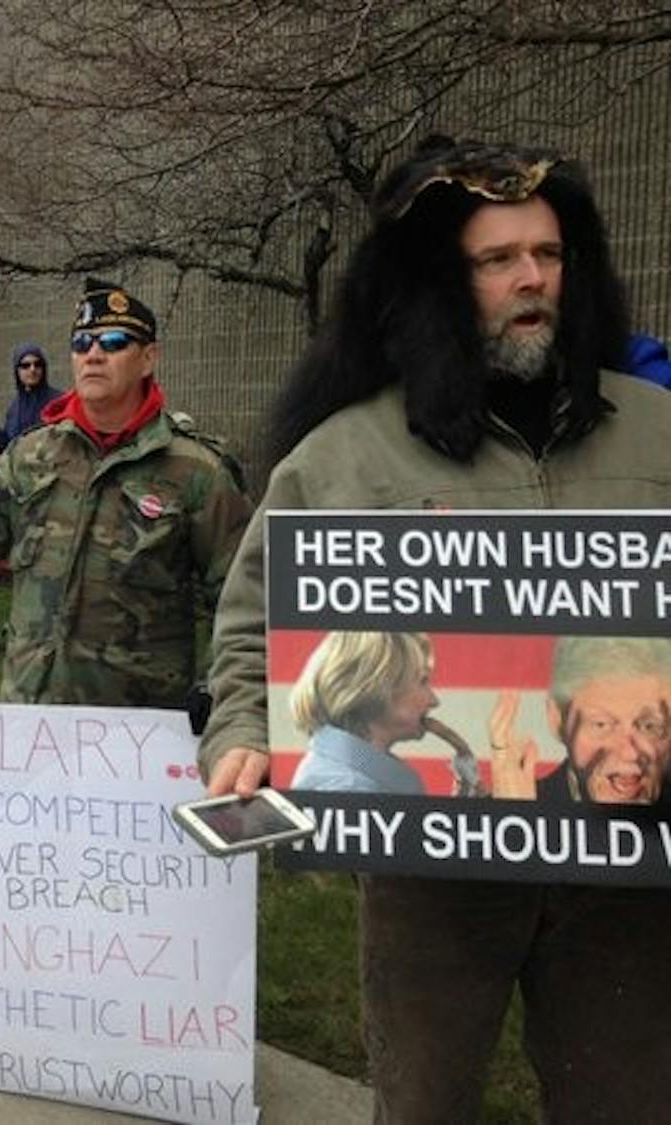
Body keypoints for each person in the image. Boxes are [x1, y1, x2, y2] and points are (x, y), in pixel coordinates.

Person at [198, 136, 671, 1122]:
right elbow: (253, 622)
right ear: (435, 288)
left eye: (547, 254)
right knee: (423, 1104)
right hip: (431, 873)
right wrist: (244, 732)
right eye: (497, 261)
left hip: (625, 871)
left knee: (627, 1099)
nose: (532, 278)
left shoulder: (658, 429)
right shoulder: (345, 455)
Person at [0, 278, 252, 710]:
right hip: (33, 721)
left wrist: (218, 689)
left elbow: (245, 600)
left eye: (113, 342)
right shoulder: (34, 453)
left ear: (148, 358)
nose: (93, 354)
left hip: (138, 733)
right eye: (82, 343)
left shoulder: (196, 471)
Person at [489, 636, 671, 805]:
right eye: (602, 724)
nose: (629, 753)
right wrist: (518, 819)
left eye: (650, 726)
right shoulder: (511, 806)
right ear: (557, 720)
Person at [288, 631, 435, 794]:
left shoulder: (349, 775)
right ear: (379, 686)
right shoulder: (348, 787)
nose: (434, 701)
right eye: (423, 681)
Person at [0, 342, 62, 453]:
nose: (32, 369)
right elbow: (6, 449)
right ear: (17, 370)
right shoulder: (15, 408)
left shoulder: (58, 401)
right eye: (25, 365)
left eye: (38, 364)